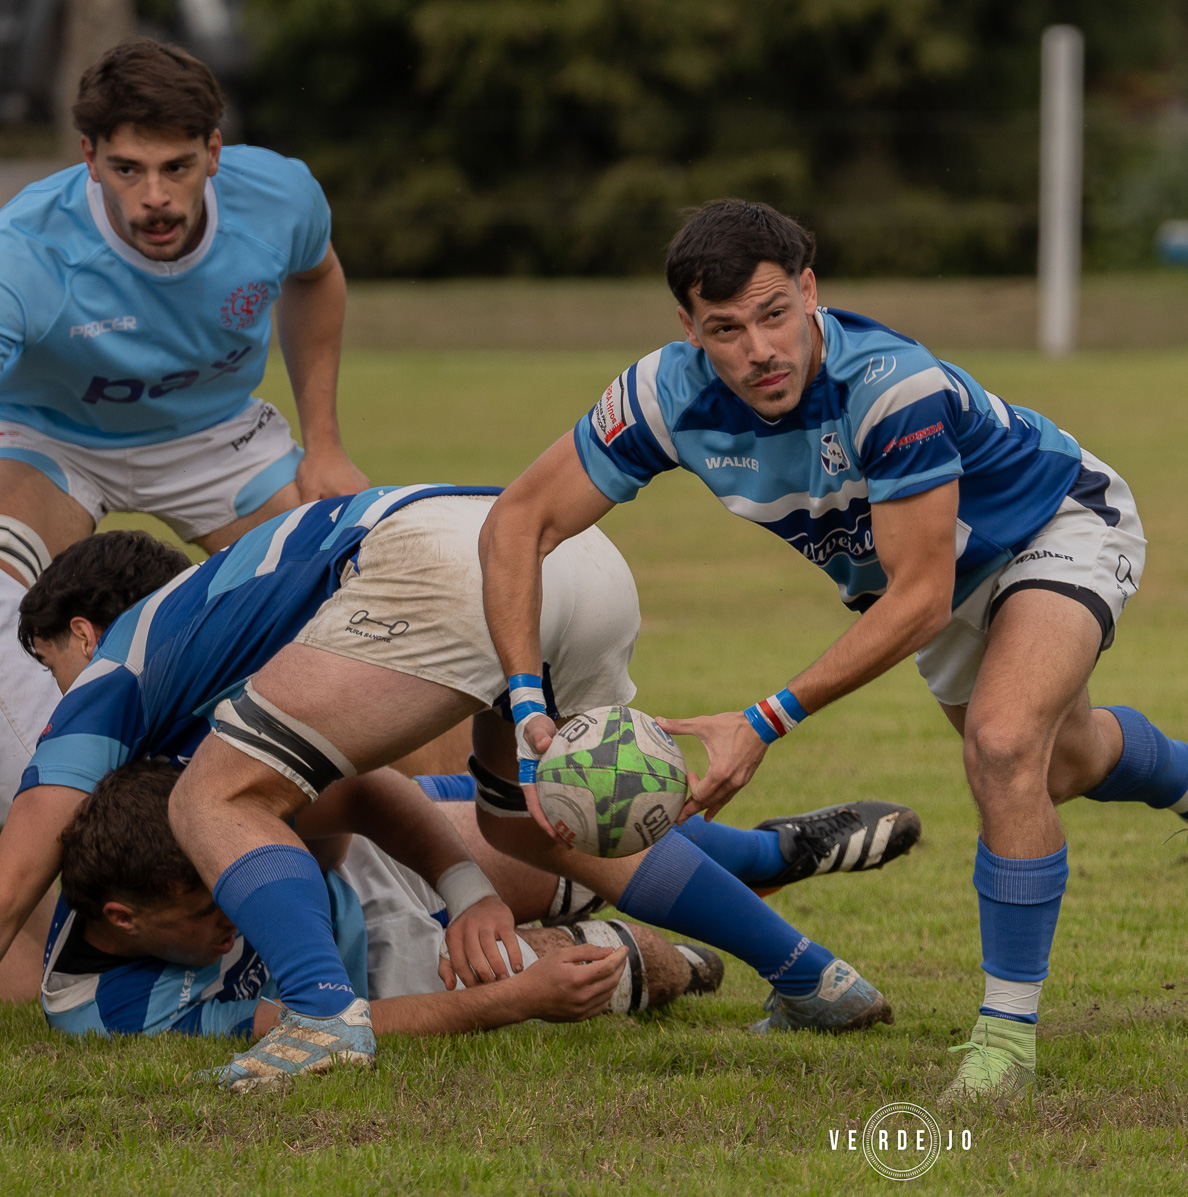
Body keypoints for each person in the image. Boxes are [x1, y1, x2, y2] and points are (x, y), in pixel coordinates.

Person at [479, 200, 1188, 1108]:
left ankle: (1005, 1042)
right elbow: (517, 522)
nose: (758, 350)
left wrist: (762, 721)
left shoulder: (888, 387)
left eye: (775, 313)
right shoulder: (665, 396)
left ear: (811, 292)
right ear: (688, 329)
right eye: (726, 329)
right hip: (930, 577)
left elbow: (918, 597)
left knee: (1002, 745)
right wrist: (524, 708)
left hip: (1051, 524)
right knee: (1060, 764)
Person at [0, 488, 906, 1090]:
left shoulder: (109, 692)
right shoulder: (209, 645)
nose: (53, 694)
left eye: (51, 664)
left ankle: (325, 1021)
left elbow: (9, 889)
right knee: (540, 819)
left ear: (87, 630)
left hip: (444, 570)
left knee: (215, 806)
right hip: (566, 555)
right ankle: (811, 976)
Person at [0, 37, 366, 856]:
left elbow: (318, 275)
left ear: (214, 151)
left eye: (175, 166)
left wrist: (326, 442)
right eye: (128, 169)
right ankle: (64, 822)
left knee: (367, 599)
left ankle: (407, 851)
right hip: (55, 440)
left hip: (215, 439)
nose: (154, 196)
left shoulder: (282, 197)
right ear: (89, 159)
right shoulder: (25, 250)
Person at [44, 760, 725, 1046]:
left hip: (359, 864)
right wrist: (517, 1000)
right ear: (123, 920)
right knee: (611, 966)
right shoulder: (114, 1009)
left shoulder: (178, 806)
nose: (239, 912)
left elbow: (363, 784)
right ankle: (696, 963)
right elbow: (327, 1024)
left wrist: (468, 891)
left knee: (568, 844)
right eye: (208, 910)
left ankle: (774, 853)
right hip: (373, 970)